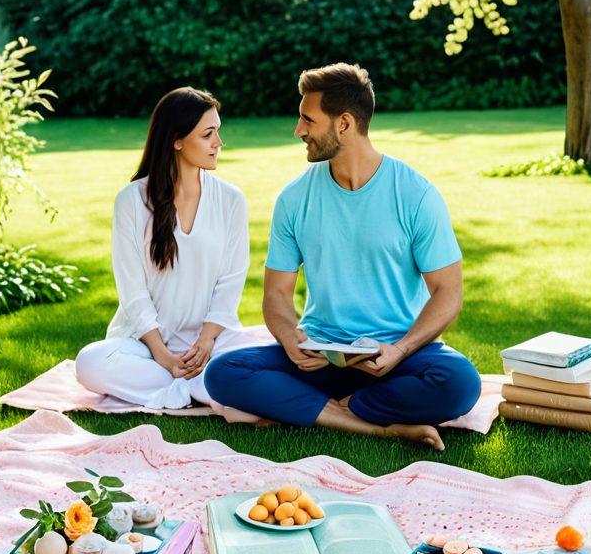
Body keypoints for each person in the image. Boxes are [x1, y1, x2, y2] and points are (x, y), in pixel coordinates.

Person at [204, 63, 482, 450]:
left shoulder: (416, 195)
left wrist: (399, 349)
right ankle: (369, 423)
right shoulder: (294, 199)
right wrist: (291, 341)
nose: (298, 130)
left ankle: (323, 410)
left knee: (460, 382)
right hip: (321, 358)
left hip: (395, 360)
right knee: (223, 372)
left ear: (344, 124)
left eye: (307, 119)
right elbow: (277, 296)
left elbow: (448, 292)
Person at [76, 87, 260, 410]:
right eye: (208, 134)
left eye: (218, 132)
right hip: (146, 345)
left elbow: (231, 283)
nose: (219, 143)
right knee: (89, 363)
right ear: (177, 139)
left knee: (270, 349)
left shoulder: (231, 201)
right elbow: (131, 291)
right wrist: (163, 356)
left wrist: (205, 341)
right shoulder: (132, 201)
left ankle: (190, 385)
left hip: (213, 342)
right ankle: (199, 388)